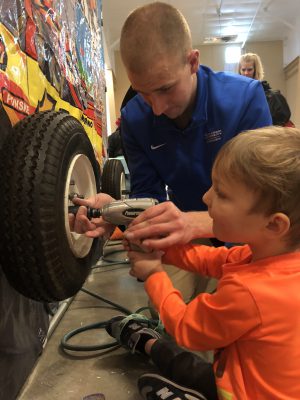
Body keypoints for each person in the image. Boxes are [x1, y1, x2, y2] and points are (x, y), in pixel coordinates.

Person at [71, 2, 272, 302]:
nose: (157, 107)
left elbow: (266, 205)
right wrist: (116, 211)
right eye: (143, 92)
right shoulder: (135, 118)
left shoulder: (244, 100)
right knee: (167, 307)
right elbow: (150, 199)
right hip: (186, 231)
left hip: (249, 232)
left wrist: (198, 222)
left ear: (192, 62)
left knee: (242, 308)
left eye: (165, 89)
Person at [106, 126, 300, 400]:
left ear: (274, 223)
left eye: (221, 193)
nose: (206, 198)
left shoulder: (249, 293)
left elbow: (187, 327)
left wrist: (153, 274)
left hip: (245, 392)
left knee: (187, 364)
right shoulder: (272, 256)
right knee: (191, 368)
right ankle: (148, 343)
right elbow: (216, 259)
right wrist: (164, 248)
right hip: (250, 376)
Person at [238, 52, 294, 126]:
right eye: (243, 69)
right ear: (240, 70)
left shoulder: (273, 97)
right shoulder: (238, 96)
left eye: (249, 70)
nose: (246, 73)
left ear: (256, 70)